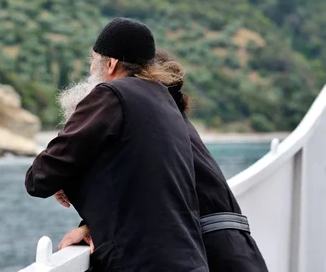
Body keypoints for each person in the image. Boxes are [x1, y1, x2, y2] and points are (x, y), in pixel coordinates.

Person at [57, 50, 269, 272]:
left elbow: (145, 195)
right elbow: (145, 194)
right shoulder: (174, 126)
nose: (92, 70)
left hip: (216, 255)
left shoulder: (151, 132)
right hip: (231, 253)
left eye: (95, 62)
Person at [25, 18, 209, 272]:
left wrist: (67, 178)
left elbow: (39, 177)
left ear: (110, 63)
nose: (91, 70)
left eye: (93, 60)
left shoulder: (112, 94)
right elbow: (140, 179)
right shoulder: (166, 102)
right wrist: (88, 224)